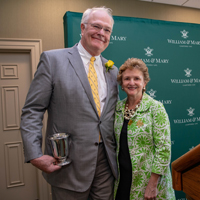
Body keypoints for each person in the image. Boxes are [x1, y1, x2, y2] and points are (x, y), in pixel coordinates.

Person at [20, 7, 118, 200]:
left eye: (107, 30)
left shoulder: (112, 71)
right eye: (96, 26)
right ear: (82, 27)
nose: (101, 33)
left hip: (106, 164)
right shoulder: (53, 60)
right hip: (68, 165)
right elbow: (33, 110)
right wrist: (35, 154)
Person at [114, 58, 175, 200]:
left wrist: (152, 185)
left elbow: (164, 150)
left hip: (149, 182)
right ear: (121, 84)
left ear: (144, 83)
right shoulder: (117, 108)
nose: (131, 83)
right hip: (122, 181)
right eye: (127, 79)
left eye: (137, 78)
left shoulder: (156, 108)